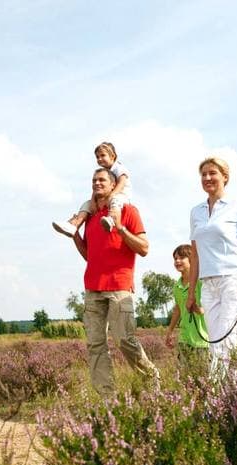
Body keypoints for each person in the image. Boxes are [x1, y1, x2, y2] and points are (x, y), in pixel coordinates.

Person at [71, 167, 159, 397]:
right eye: (94, 180)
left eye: (102, 180)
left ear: (113, 185)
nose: (97, 183)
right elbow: (90, 256)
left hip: (119, 286)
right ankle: (107, 398)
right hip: (93, 288)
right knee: (95, 344)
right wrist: (75, 235)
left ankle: (151, 380)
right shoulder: (90, 216)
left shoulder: (127, 210)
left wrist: (120, 229)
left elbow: (144, 248)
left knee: (124, 340)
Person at [186, 157, 237, 382]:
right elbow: (195, 255)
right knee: (215, 342)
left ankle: (222, 395)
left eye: (213, 173)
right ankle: (229, 392)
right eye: (203, 174)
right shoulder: (196, 212)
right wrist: (191, 293)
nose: (207, 178)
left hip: (234, 279)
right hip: (208, 283)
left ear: (225, 177)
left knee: (229, 340)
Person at [54, 142, 132, 236]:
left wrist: (112, 194)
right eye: (97, 157)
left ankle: (111, 219)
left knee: (115, 201)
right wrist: (92, 201)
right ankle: (74, 225)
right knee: (86, 204)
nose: (99, 159)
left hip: (121, 196)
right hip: (108, 196)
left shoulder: (118, 167)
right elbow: (96, 190)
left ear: (112, 156)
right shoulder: (104, 172)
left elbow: (122, 182)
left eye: (103, 155)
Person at [165, 244, 210, 380]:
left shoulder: (201, 283)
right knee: (184, 379)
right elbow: (178, 309)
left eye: (181, 258)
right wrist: (170, 330)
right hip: (184, 338)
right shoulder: (177, 286)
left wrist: (199, 310)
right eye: (175, 258)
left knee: (203, 379)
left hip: (202, 339)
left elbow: (209, 307)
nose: (177, 261)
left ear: (191, 259)